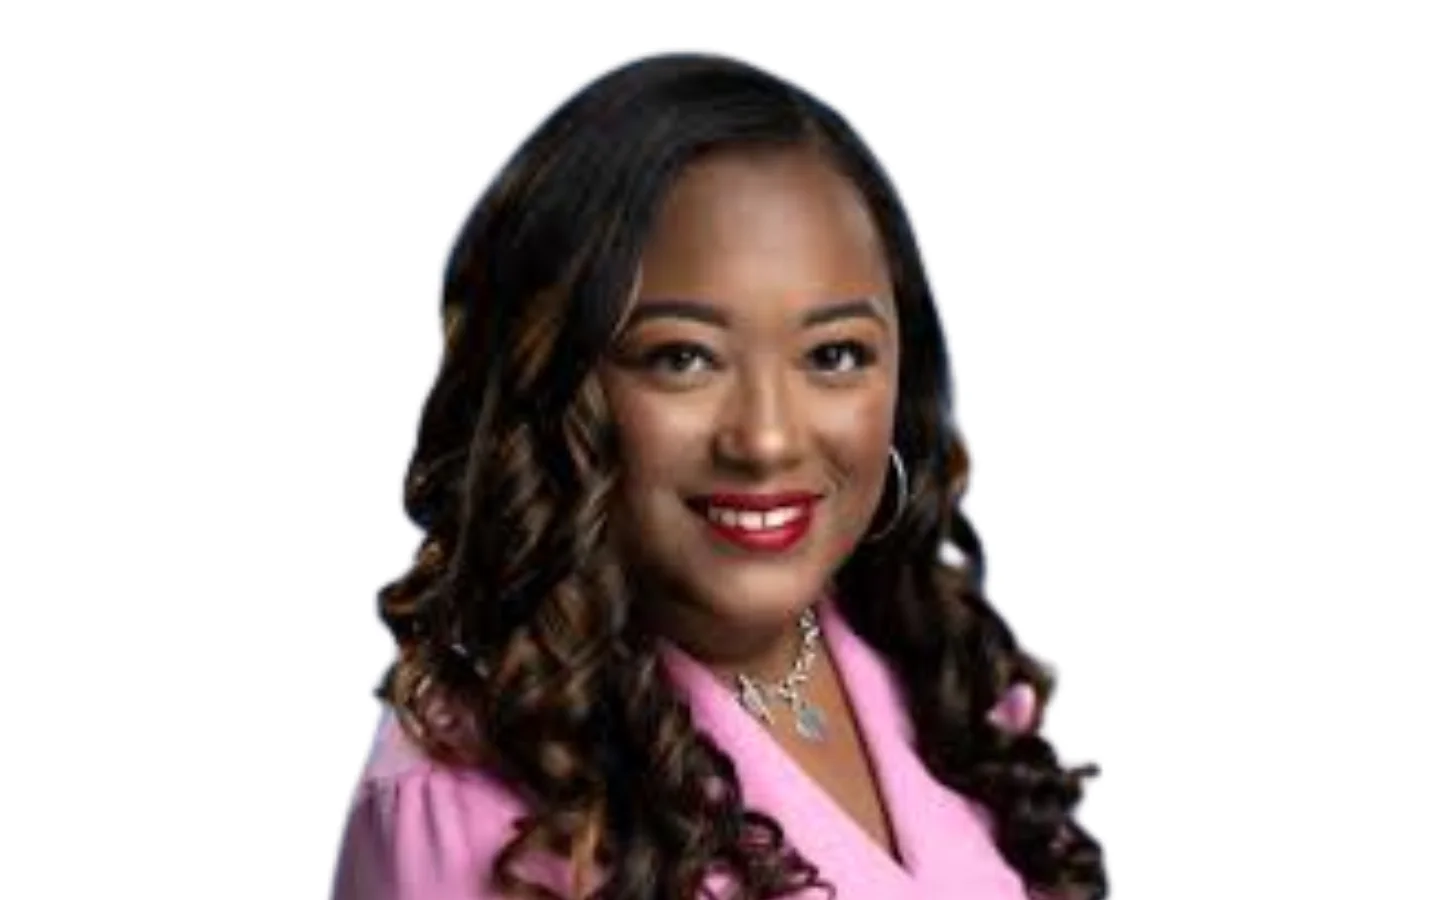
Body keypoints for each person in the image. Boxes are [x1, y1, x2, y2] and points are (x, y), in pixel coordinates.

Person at [332, 52, 1106, 900]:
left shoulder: (930, 670)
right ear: (553, 386)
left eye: (834, 355)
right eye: (683, 358)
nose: (767, 439)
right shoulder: (466, 801)